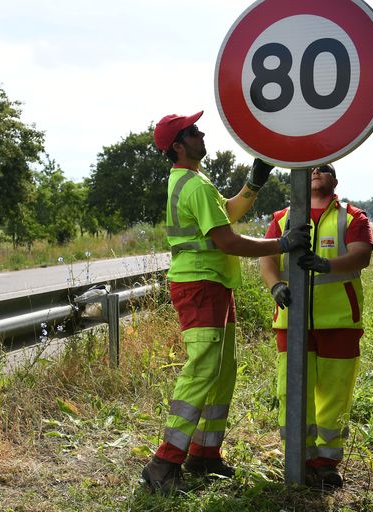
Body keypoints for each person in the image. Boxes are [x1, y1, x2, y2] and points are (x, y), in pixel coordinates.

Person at [140, 110, 311, 495]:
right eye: (193, 131)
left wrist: (253, 183)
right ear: (178, 146)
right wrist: (282, 243)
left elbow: (227, 214)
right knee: (203, 370)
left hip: (213, 284)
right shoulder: (194, 185)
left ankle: (204, 454)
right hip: (199, 285)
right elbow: (228, 241)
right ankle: (163, 463)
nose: (202, 133)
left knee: (223, 370)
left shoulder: (194, 181)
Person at [258, 163, 373, 489]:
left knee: (335, 395)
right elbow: (266, 258)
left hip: (339, 323)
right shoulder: (282, 219)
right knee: (292, 392)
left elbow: (361, 255)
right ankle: (300, 458)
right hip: (290, 323)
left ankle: (326, 464)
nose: (317, 172)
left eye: (325, 169)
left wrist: (325, 264)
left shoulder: (353, 217)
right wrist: (274, 286)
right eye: (312, 170)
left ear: (336, 180)